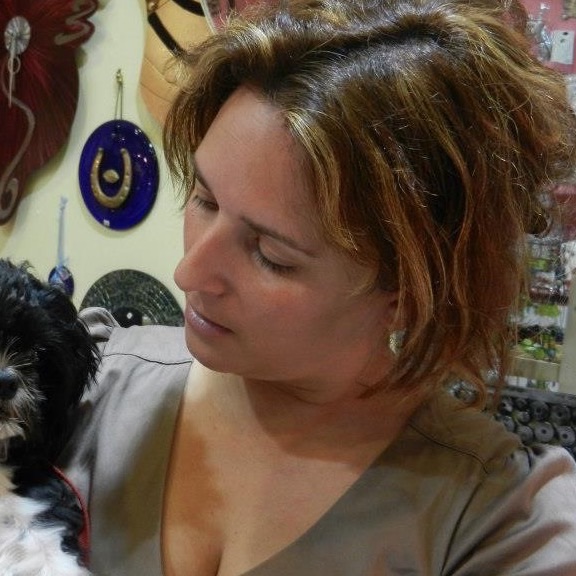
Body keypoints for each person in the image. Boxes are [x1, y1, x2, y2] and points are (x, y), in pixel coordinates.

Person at [60, 0, 576, 574]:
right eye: (204, 199)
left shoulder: (498, 523)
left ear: (409, 295)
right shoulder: (82, 386)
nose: (189, 274)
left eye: (271, 256)